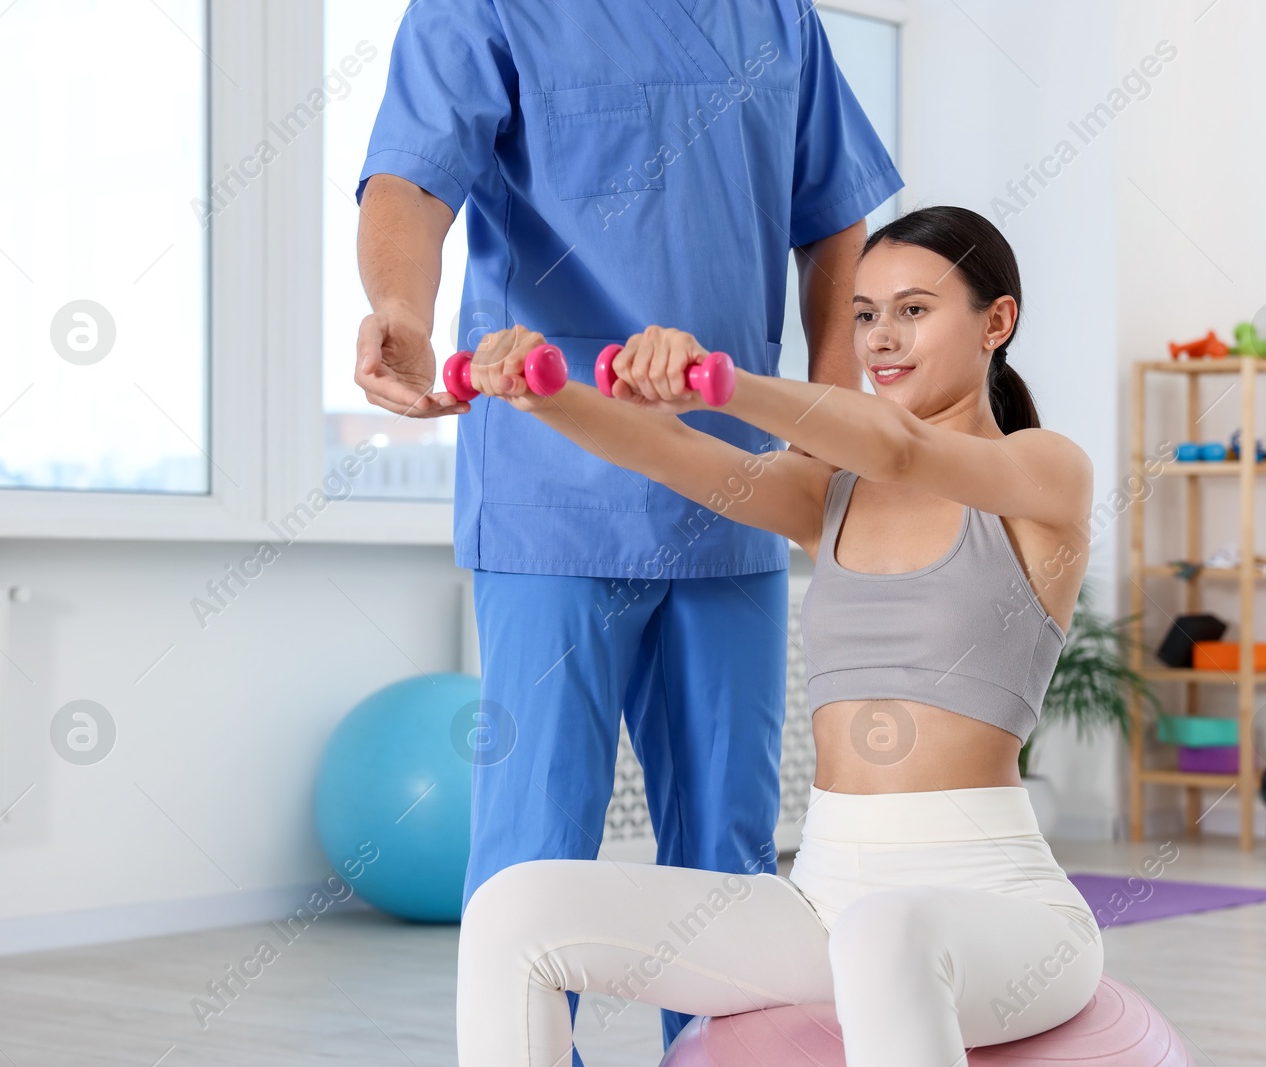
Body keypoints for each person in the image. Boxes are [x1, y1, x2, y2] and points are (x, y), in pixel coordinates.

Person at [352, 0, 901, 1055]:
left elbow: (833, 216)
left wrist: (830, 417)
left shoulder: (776, 16)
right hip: (551, 492)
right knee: (534, 857)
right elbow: (411, 181)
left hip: (737, 487)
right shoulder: (480, 12)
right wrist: (403, 310)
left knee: (726, 861)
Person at [453, 206, 1103, 1066]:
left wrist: (720, 382)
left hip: (994, 902)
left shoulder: (1045, 473)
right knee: (512, 909)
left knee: (886, 932)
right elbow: (665, 453)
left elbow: (903, 448)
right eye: (864, 313)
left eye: (913, 309)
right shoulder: (825, 496)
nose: (880, 337)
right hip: (824, 900)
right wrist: (540, 390)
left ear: (997, 320)